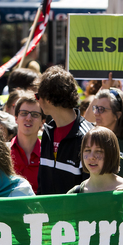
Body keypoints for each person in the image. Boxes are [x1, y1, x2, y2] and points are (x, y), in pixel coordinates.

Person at [36, 66, 93, 194]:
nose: (37, 100)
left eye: (38, 96)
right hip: (47, 212)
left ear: (48, 99)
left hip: (75, 213)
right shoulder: (48, 131)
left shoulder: (87, 137)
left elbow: (90, 188)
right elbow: (42, 181)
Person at [89, 89, 123, 174]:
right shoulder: (91, 140)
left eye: (101, 109)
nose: (96, 113)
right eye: (96, 108)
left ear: (117, 115)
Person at [10, 91, 43, 193]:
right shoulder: (2, 152)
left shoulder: (50, 154)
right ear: (16, 118)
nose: (28, 118)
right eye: (24, 113)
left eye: (35, 115)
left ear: (42, 122)